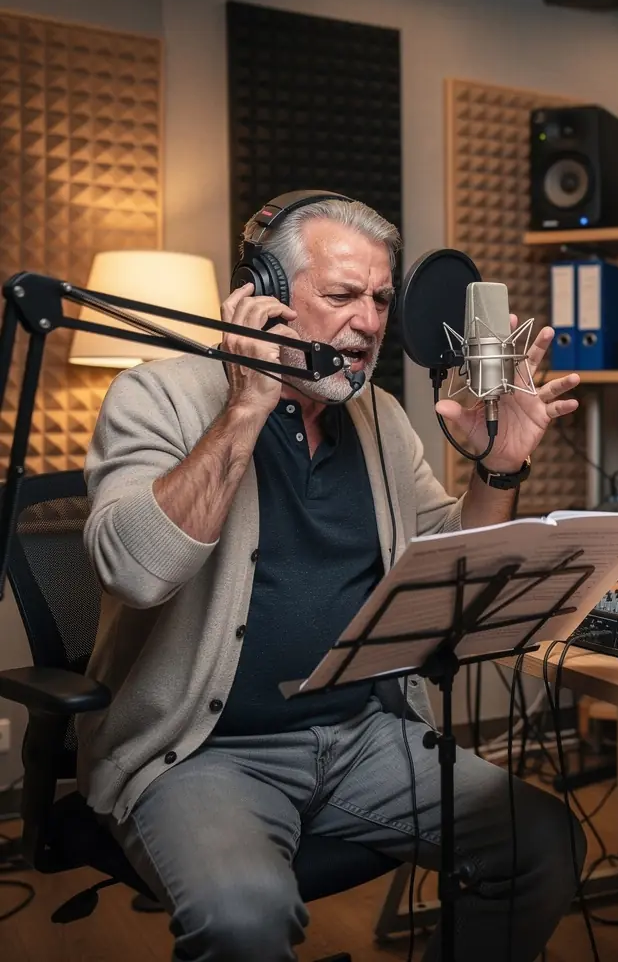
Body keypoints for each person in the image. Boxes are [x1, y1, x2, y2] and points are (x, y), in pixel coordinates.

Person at [78, 192, 585, 962]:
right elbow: (137, 573)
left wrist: (500, 465)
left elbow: (453, 570)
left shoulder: (380, 418)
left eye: (380, 300)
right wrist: (245, 407)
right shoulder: (156, 397)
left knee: (541, 840)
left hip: (365, 737)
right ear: (267, 297)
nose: (371, 322)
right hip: (206, 750)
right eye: (344, 295)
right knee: (243, 918)